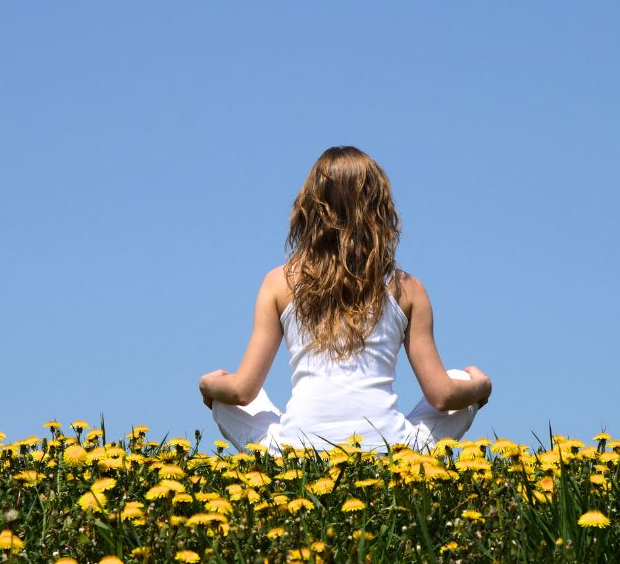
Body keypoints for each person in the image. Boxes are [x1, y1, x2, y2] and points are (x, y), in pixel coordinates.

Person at [198, 146, 492, 454]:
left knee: (226, 396)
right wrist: (480, 387)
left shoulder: (277, 283)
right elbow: (442, 396)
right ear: (380, 209)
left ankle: (292, 448)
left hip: (296, 452)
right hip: (390, 451)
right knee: (459, 379)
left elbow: (243, 391)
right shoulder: (408, 288)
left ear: (309, 207)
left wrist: (209, 386)